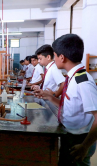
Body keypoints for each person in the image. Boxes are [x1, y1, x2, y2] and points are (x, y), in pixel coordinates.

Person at [34, 34, 97, 166]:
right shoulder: (73, 77)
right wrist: (49, 97)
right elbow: (71, 105)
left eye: (55, 55)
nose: (54, 58)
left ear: (61, 57)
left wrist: (85, 146)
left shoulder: (82, 81)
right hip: (70, 134)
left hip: (80, 139)